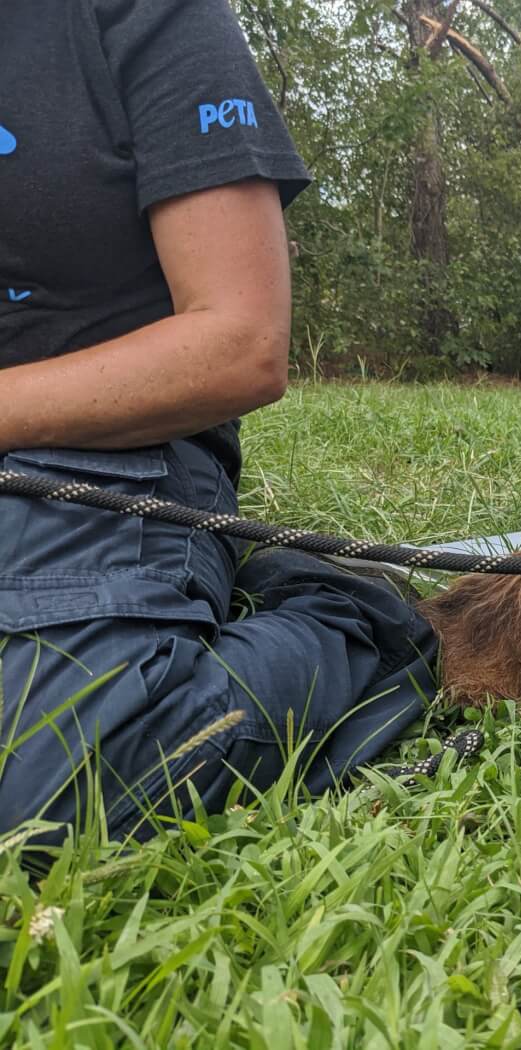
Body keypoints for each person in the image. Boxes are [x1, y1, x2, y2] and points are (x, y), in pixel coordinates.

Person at [0, 1, 439, 851]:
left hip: (108, 461)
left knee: (38, 789)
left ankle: (342, 621)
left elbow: (239, 344)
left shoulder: (134, 15)